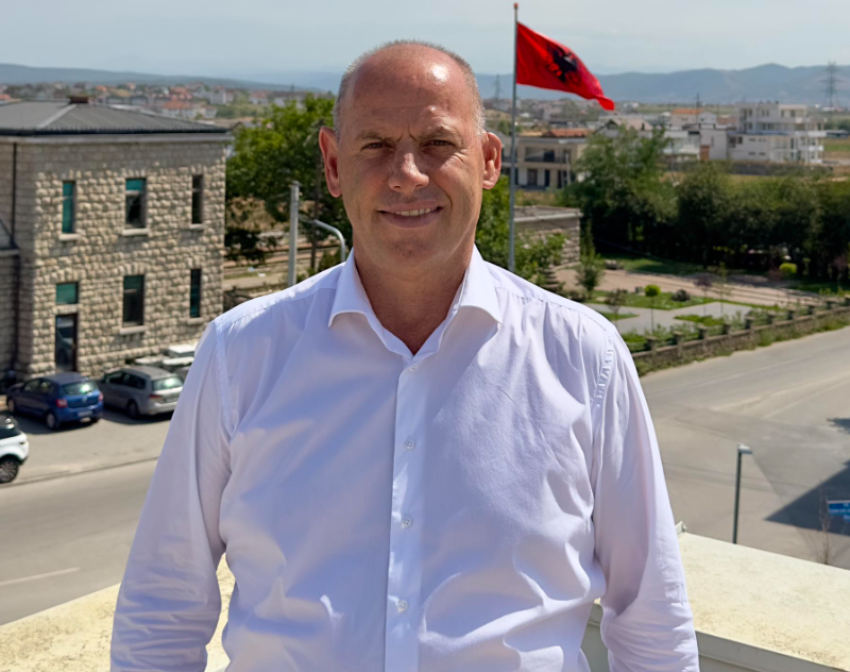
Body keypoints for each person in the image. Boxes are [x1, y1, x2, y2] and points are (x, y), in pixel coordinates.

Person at [111, 41, 700, 672]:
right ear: (333, 164)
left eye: (439, 143)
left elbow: (652, 621)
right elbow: (163, 606)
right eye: (376, 145)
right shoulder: (241, 354)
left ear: (489, 160)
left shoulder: (584, 359)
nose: (407, 174)